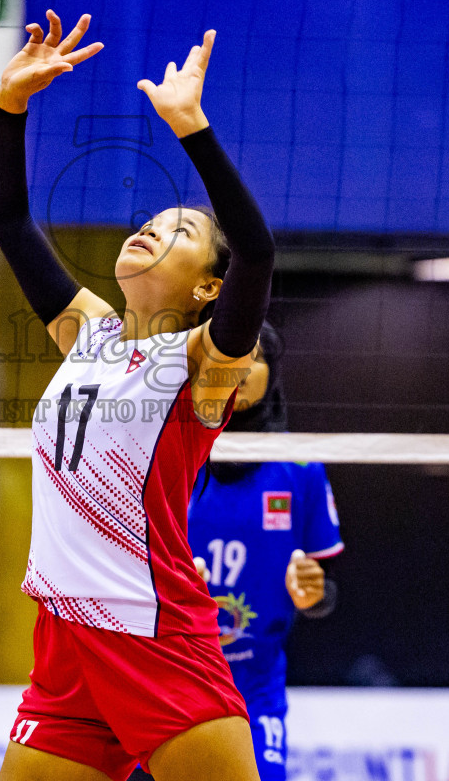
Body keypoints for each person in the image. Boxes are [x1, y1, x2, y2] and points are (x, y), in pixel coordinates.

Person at [0, 11, 275, 781]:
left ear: (209, 285)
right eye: (148, 221)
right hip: (68, 641)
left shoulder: (204, 364)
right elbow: (6, 215)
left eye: (177, 231)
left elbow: (258, 251)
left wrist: (192, 129)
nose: (149, 230)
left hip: (157, 639)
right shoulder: (90, 333)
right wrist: (9, 106)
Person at [182, 322, 344, 781]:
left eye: (255, 358)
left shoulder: (301, 468)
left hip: (254, 683)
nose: (241, 369)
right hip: (172, 673)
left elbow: (325, 590)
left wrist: (315, 595)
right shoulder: (170, 456)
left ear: (272, 373)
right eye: (229, 358)